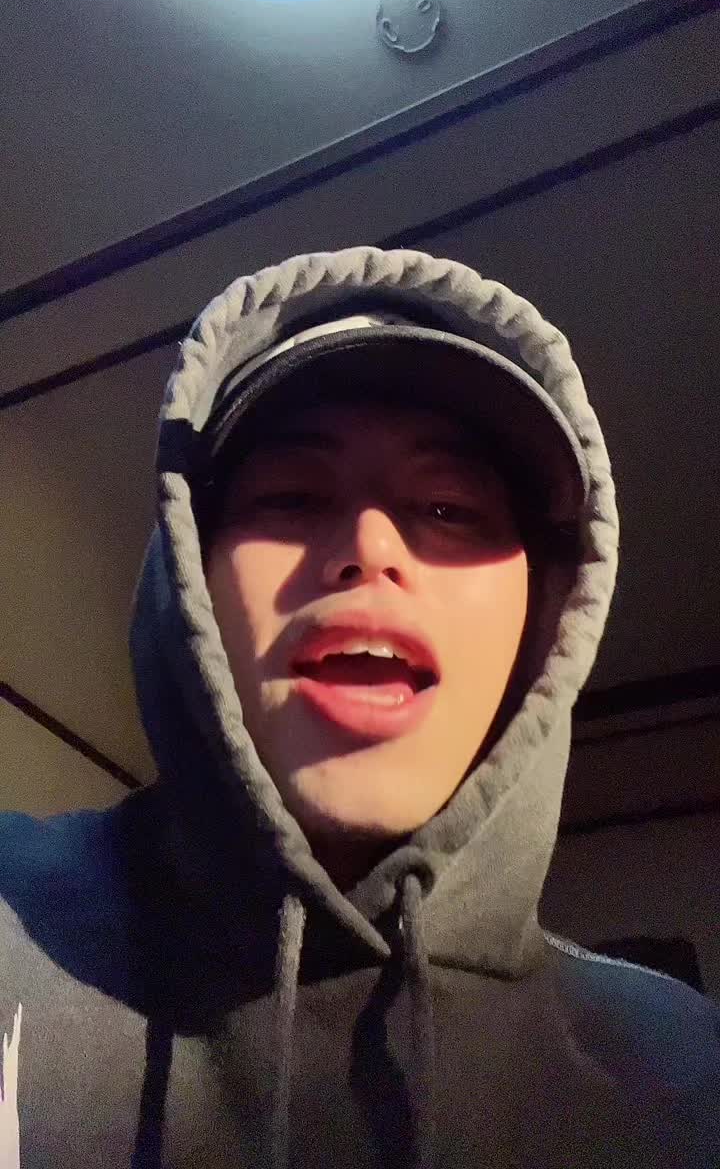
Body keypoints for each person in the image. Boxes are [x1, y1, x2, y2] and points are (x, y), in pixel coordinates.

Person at [0, 245, 718, 1169]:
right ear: (190, 581)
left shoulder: (684, 1075)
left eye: (451, 509)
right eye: (291, 495)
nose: (370, 547)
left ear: (547, 614)